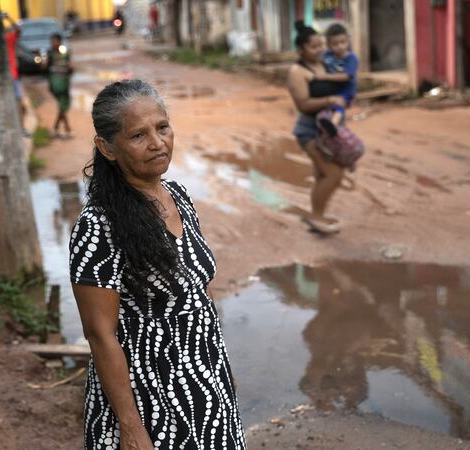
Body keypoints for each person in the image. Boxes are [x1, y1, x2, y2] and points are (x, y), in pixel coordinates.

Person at [69, 80, 246, 450]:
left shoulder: (178, 196)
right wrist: (131, 428)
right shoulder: (98, 225)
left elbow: (199, 289)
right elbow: (101, 335)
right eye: (138, 135)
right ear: (108, 148)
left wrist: (218, 371)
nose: (157, 143)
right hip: (149, 398)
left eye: (162, 128)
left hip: (204, 385)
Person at [286, 21, 347, 234]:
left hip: (327, 130)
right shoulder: (297, 71)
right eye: (314, 46)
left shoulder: (324, 64)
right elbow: (303, 104)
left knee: (323, 174)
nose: (320, 49)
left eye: (321, 45)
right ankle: (316, 218)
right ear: (301, 49)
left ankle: (317, 216)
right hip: (309, 131)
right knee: (333, 174)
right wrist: (330, 99)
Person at [316, 23, 358, 137]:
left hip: (346, 90)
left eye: (343, 42)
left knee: (339, 105)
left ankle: (333, 125)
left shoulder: (351, 58)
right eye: (335, 44)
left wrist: (325, 76)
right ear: (329, 45)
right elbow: (318, 62)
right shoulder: (327, 55)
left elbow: (346, 76)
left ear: (347, 41)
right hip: (332, 89)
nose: (340, 46)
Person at [2, 13, 30, 137]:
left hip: (12, 77)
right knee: (6, 106)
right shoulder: (1, 41)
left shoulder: (9, 39)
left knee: (20, 104)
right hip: (3, 80)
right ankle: (12, 129)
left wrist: (8, 18)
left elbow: (18, 30)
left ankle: (22, 128)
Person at [47, 33, 73, 138]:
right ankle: (67, 128)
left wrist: (70, 66)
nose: (53, 43)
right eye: (51, 41)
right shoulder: (50, 54)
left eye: (54, 41)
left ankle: (56, 128)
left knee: (62, 106)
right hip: (55, 85)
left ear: (59, 41)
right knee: (62, 105)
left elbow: (71, 69)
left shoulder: (65, 53)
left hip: (64, 83)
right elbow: (45, 68)